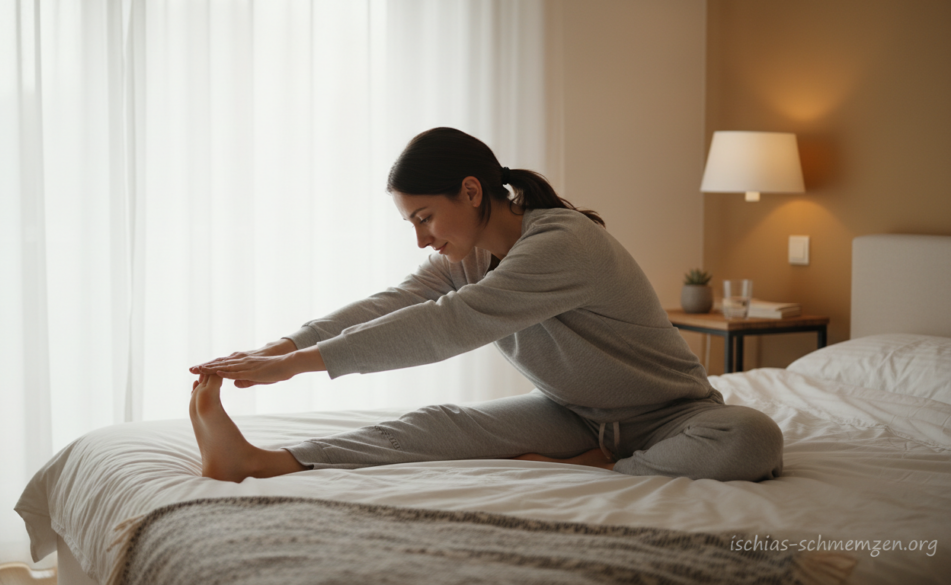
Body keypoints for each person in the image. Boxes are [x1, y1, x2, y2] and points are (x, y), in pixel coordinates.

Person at [188, 127, 784, 484]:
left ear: (470, 191)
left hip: (672, 418)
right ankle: (270, 462)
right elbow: (398, 301)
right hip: (578, 414)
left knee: (752, 435)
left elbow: (448, 325)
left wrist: (296, 366)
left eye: (424, 217)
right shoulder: (470, 252)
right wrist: (283, 347)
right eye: (412, 222)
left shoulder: (562, 243)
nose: (422, 237)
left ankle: (600, 468)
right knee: (442, 424)